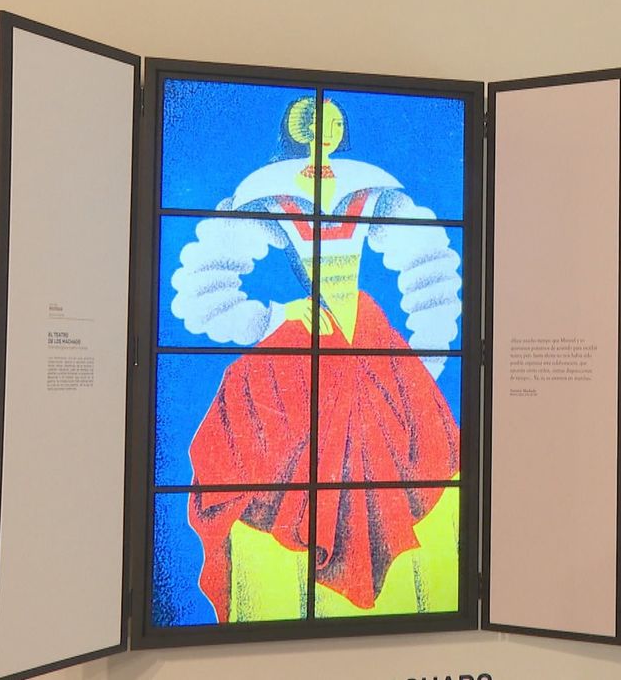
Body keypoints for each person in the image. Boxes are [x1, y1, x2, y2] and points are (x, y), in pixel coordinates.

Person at [171, 96, 463, 622]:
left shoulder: (371, 186)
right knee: (255, 474)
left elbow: (431, 268)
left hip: (373, 352)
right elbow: (200, 290)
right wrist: (273, 316)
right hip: (292, 361)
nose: (319, 127)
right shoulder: (266, 190)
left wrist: (426, 362)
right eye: (309, 119)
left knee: (423, 470)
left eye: (328, 118)